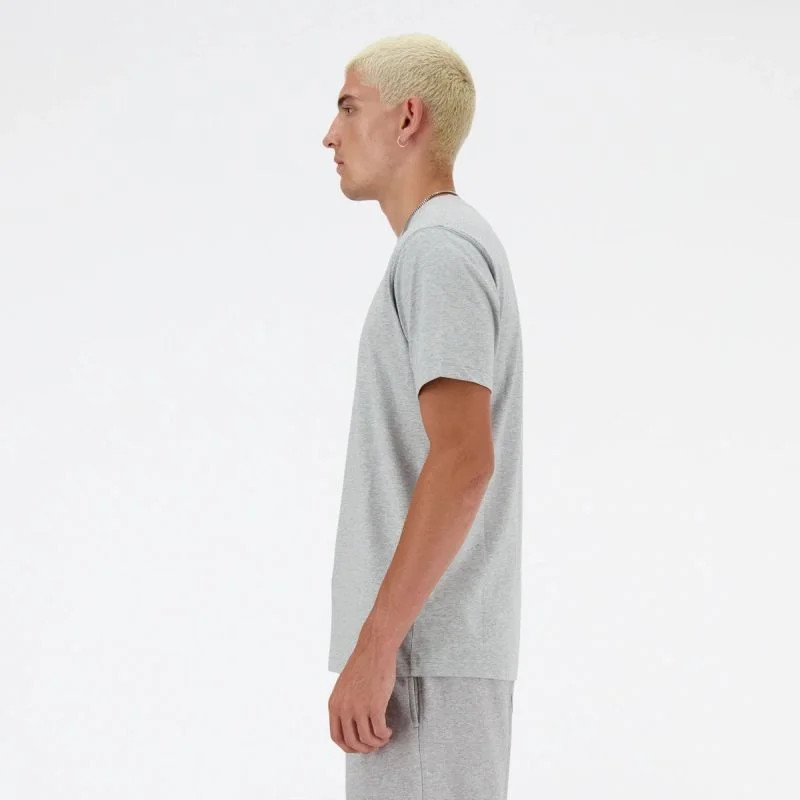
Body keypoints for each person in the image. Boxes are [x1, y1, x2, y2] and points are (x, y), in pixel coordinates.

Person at [321, 32, 524, 800]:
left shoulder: (438, 249)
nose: (330, 134)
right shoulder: (443, 247)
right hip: (427, 660)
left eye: (349, 108)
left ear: (407, 118)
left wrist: (378, 645)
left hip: (421, 661)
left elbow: (465, 459)